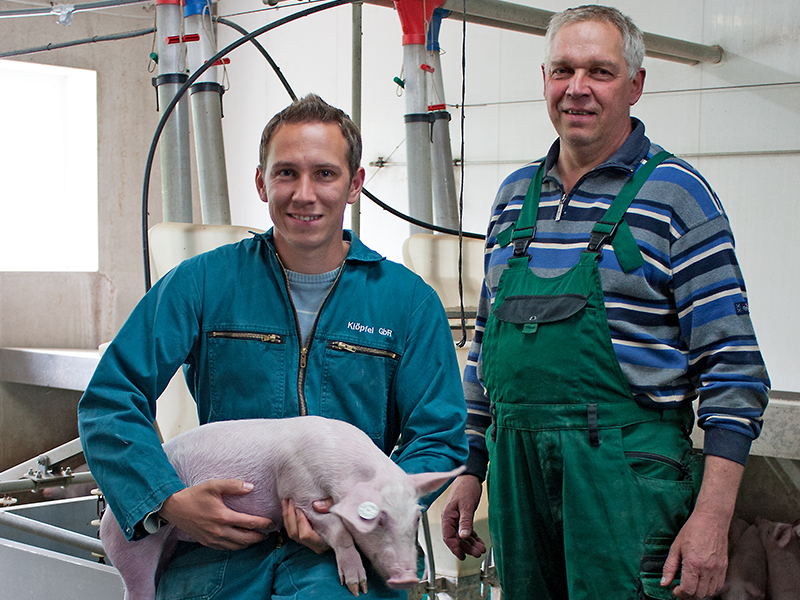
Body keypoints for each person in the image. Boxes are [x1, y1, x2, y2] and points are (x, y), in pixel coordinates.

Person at [78, 93, 468, 599]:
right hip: (219, 554)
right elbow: (111, 398)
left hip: (344, 565)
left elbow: (437, 436)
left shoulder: (407, 301)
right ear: (262, 182)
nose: (304, 194)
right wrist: (167, 499)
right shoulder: (203, 282)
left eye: (325, 174)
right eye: (286, 173)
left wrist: (358, 510)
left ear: (354, 185)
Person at [441, 6, 769, 600]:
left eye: (601, 71)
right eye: (563, 70)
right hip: (517, 477)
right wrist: (471, 466)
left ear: (636, 85)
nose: (578, 89)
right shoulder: (513, 198)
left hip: (628, 485)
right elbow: (486, 346)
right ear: (544, 78)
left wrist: (713, 518)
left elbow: (733, 367)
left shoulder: (677, 195)